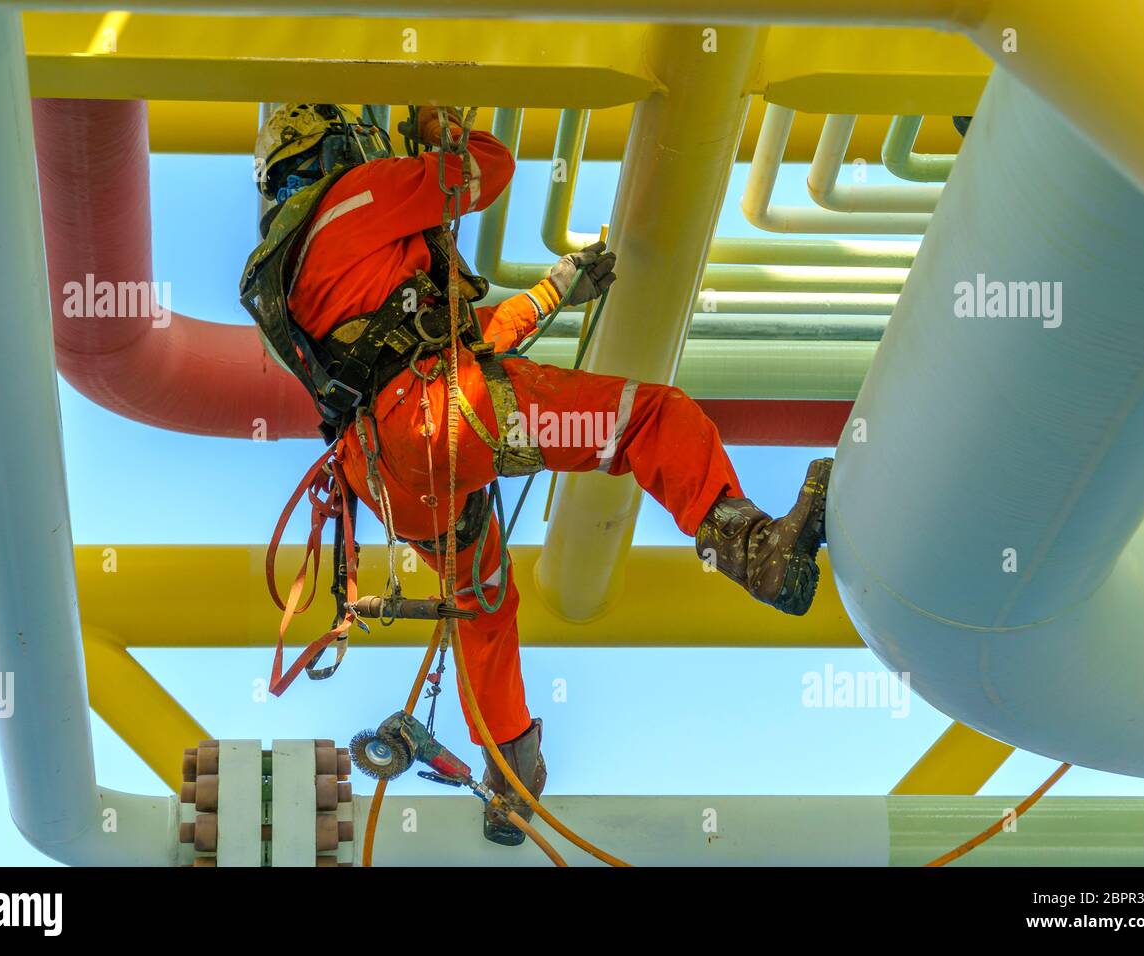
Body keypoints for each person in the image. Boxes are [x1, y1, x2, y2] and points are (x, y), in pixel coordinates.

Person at [247, 103, 832, 846]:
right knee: (647, 421)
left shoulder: (301, 269)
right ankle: (752, 549)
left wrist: (555, 289)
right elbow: (484, 171)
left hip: (391, 471)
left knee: (483, 602)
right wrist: (438, 130)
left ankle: (509, 780)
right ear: (341, 145)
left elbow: (447, 339)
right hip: (445, 415)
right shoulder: (358, 196)